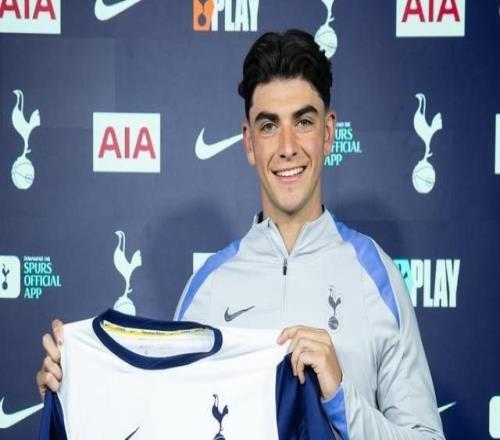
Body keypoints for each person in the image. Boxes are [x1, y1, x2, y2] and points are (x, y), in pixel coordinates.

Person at [37, 29, 445, 439]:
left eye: (303, 122)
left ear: (327, 133)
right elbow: (163, 426)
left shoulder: (375, 275)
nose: (287, 146)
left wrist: (341, 399)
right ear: (249, 142)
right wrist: (73, 391)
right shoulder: (208, 287)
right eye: (269, 126)